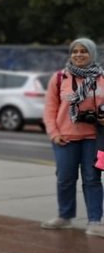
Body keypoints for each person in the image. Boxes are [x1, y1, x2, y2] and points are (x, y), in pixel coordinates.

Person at [41, 37, 103, 236]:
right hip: (65, 138)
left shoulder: (102, 78)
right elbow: (50, 109)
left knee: (92, 179)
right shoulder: (60, 78)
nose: (78, 55)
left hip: (93, 138)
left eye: (83, 51)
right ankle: (65, 217)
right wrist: (54, 133)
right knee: (65, 179)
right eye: (75, 51)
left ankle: (95, 221)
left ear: (92, 53)